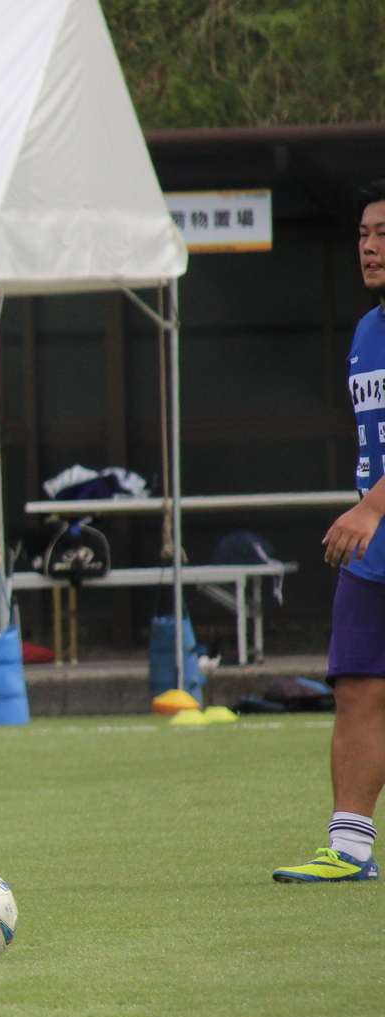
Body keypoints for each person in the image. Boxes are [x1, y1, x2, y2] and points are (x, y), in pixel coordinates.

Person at [278, 178, 385, 883]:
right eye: (364, 235)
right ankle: (349, 848)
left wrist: (373, 505)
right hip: (376, 550)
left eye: (384, 236)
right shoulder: (367, 331)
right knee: (357, 685)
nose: (371, 249)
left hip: (377, 519)